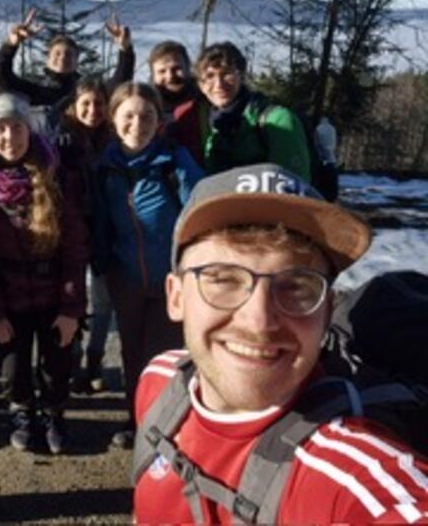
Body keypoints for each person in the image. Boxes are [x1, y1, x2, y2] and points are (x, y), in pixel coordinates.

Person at [133, 163, 428, 524]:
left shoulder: (350, 476)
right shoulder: (159, 383)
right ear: (176, 297)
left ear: (326, 310)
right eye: (224, 280)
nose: (259, 321)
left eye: (296, 286)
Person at [0, 93, 88, 455]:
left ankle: (53, 412)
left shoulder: (55, 172)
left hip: (53, 289)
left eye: (16, 127)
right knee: (12, 368)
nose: (9, 137)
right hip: (7, 292)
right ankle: (21, 411)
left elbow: (75, 245)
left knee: (57, 363)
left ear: (28, 130)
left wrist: (71, 309)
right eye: (0, 128)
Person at [94, 82, 203, 449]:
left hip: (170, 280)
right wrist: (103, 264)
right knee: (131, 353)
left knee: (165, 355)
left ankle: (166, 424)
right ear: (113, 119)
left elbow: (199, 212)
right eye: (128, 116)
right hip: (125, 278)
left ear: (159, 122)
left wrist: (188, 270)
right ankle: (136, 419)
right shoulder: (105, 167)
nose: (137, 124)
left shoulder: (174, 161)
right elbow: (99, 221)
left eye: (146, 116)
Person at [54, 77, 116, 393]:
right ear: (74, 107)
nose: (93, 110)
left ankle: (95, 358)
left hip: (105, 229)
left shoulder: (113, 140)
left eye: (99, 103)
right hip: (72, 229)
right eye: (86, 104)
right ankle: (73, 358)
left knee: (103, 300)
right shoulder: (61, 140)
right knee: (72, 296)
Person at [195, 41, 311, 180]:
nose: (218, 84)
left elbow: (293, 185)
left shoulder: (279, 121)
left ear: (242, 75)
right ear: (201, 86)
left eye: (227, 73)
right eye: (209, 76)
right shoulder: (215, 132)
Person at [0, 10, 135, 120]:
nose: (62, 58)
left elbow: (119, 83)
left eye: (68, 54)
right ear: (48, 58)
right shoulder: (36, 90)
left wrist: (125, 50)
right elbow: (2, 76)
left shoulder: (85, 91)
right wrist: (11, 45)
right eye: (57, 53)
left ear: (77, 60)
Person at [148, 40, 209, 166]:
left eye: (176, 69)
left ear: (188, 68)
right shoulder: (146, 107)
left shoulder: (207, 101)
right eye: (162, 71)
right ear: (153, 75)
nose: (170, 76)